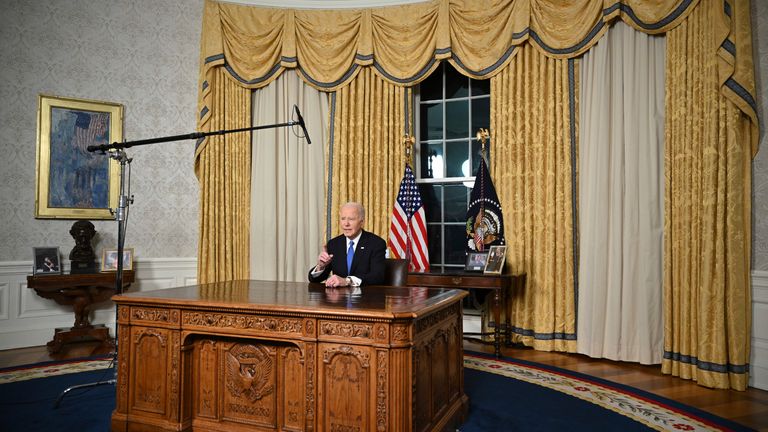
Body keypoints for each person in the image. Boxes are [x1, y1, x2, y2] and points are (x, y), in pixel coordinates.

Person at [308, 202, 386, 287]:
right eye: (343, 219)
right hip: (338, 298)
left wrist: (347, 281)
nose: (346, 224)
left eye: (351, 219)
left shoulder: (376, 243)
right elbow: (314, 280)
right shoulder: (334, 244)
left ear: (362, 222)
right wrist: (320, 267)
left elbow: (378, 276)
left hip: (365, 297)